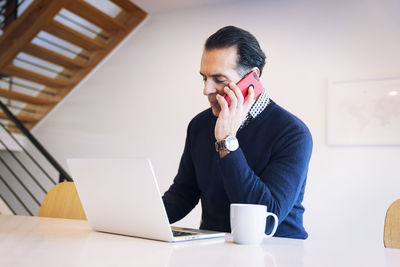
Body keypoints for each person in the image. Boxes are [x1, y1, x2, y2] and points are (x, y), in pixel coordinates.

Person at [162, 26, 313, 239]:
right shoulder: (199, 125)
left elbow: (266, 217)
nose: (206, 89)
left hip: (276, 252)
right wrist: (136, 217)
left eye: (219, 79)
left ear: (252, 77)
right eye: (204, 78)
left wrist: (227, 142)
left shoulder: (293, 133)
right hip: (215, 247)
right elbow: (183, 193)